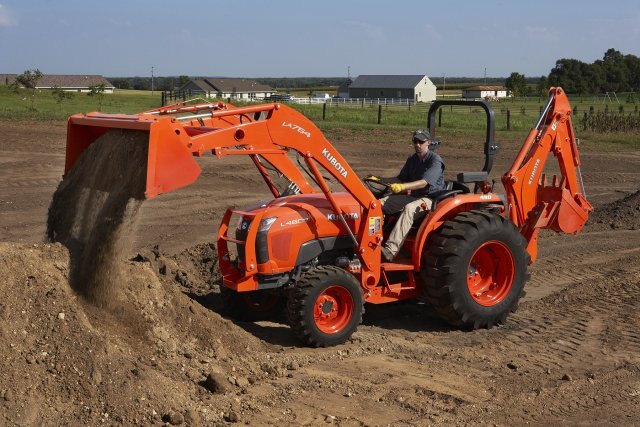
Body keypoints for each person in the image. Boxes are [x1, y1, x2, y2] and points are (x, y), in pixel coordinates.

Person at [370, 129, 445, 262]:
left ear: (428, 142)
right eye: (415, 141)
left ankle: (390, 251)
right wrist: (380, 180)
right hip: (414, 195)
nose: (417, 144)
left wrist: (403, 187)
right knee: (378, 204)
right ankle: (370, 241)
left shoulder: (435, 161)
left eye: (420, 142)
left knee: (409, 209)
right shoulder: (412, 159)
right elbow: (400, 179)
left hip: (430, 198)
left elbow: (423, 183)